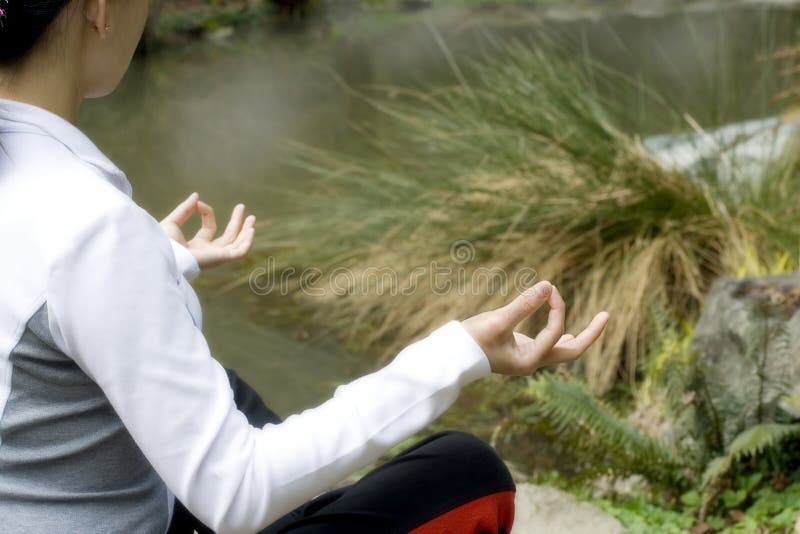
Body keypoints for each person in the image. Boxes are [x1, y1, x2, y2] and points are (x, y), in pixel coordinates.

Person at [0, 2, 610, 533]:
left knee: (227, 387)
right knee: (469, 474)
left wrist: (154, 267)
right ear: (99, 8)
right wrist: (459, 353)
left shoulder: (40, 192)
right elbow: (234, 494)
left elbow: (42, 300)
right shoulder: (91, 226)